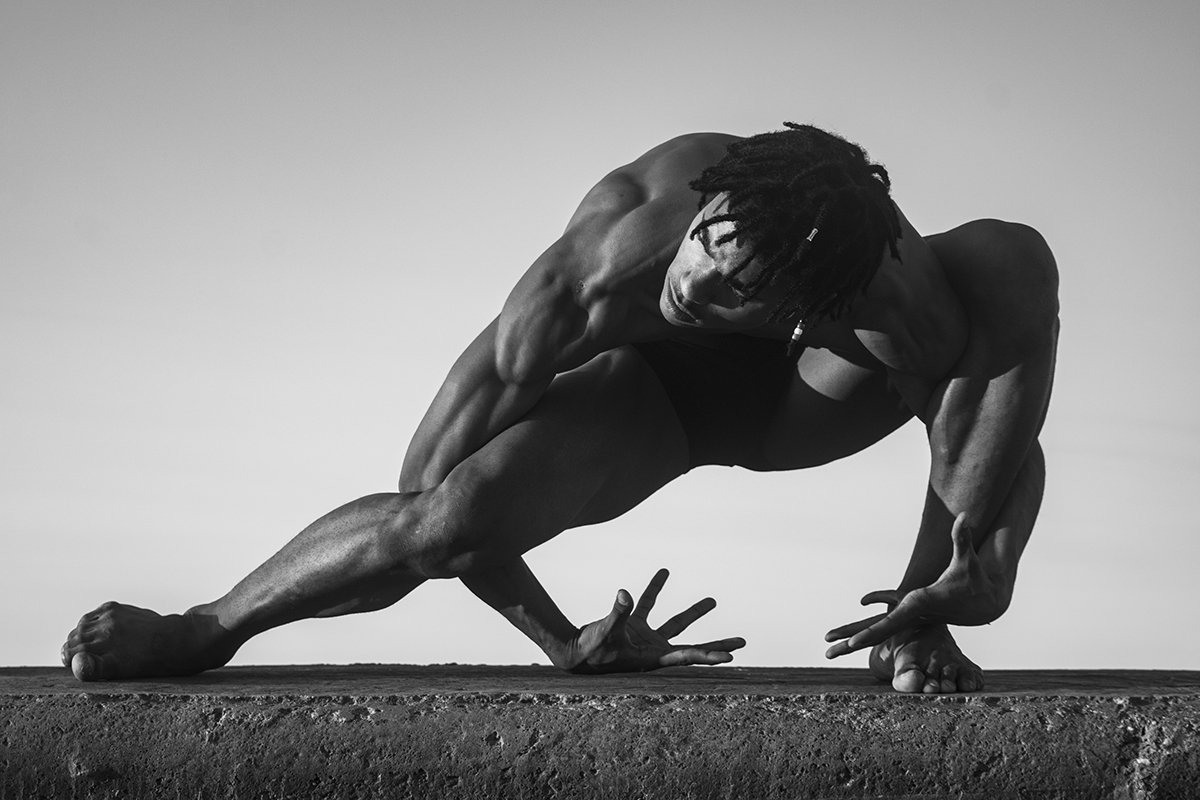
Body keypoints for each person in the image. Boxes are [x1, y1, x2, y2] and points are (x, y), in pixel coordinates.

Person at [61, 124, 1059, 693]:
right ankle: (207, 626)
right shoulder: (595, 278)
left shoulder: (903, 295)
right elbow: (430, 499)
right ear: (704, 201)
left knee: (996, 305)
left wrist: (971, 575)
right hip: (656, 396)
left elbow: (1005, 413)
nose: (697, 286)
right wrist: (558, 636)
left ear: (806, 296)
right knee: (445, 513)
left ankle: (913, 628)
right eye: (705, 242)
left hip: (819, 397)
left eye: (736, 284)